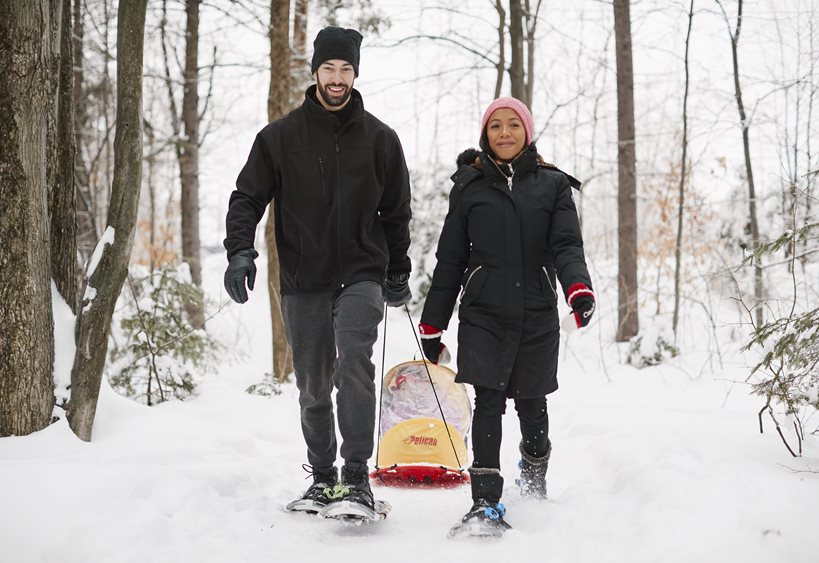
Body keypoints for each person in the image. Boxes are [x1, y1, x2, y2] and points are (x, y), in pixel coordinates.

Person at [222, 26, 412, 517]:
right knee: (311, 382)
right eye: (329, 68)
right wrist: (240, 251)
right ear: (315, 72)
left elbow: (396, 212)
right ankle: (323, 479)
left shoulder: (381, 140)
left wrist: (398, 268)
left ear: (355, 74)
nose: (337, 78)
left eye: (346, 69)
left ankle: (356, 478)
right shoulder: (280, 138)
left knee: (354, 363)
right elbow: (247, 197)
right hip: (304, 277)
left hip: (362, 273)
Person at [418, 97, 594, 533]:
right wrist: (433, 322)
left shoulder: (552, 186)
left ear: (527, 131)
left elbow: (567, 246)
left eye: (513, 124)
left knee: (533, 403)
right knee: (488, 401)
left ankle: (533, 484)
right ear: (485, 134)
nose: (504, 133)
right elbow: (450, 260)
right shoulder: (469, 186)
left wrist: (577, 288)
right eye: (495, 126)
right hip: (483, 312)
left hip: (535, 310)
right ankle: (485, 502)